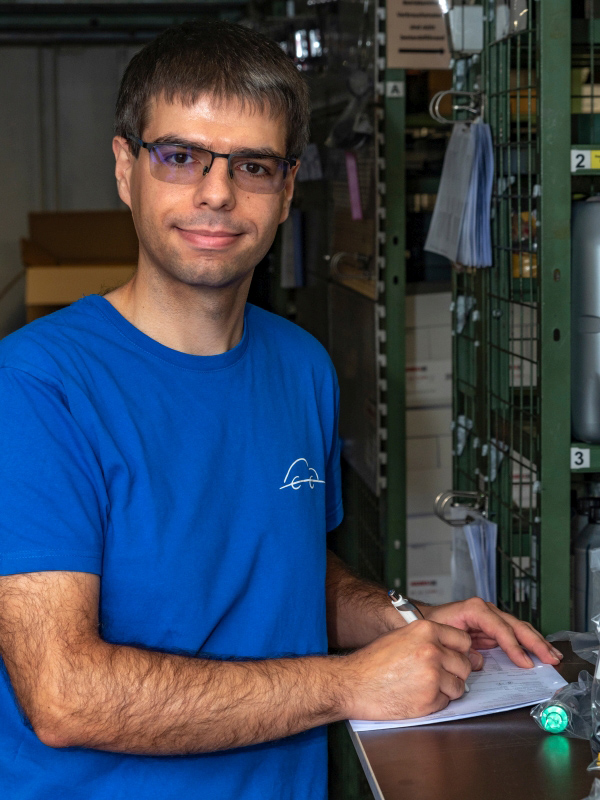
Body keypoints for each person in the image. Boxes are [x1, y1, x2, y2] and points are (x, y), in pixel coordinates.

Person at [0, 20, 562, 800]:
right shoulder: (37, 385)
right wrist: (350, 684)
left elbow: (285, 565)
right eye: (180, 156)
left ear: (288, 187)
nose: (217, 193)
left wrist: (405, 622)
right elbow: (63, 695)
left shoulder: (301, 366)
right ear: (126, 167)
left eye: (253, 165)